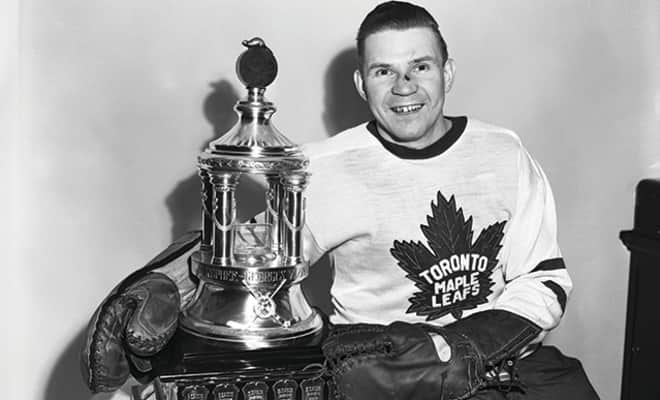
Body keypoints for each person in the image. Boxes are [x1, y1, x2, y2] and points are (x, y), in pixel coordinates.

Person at [81, 2, 599, 399]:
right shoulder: (324, 166)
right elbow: (261, 249)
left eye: (420, 66)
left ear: (448, 73)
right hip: (380, 371)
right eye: (383, 71)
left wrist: (460, 346)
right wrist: (167, 282)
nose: (404, 87)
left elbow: (545, 280)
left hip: (496, 360)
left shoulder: (504, 152)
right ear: (361, 83)